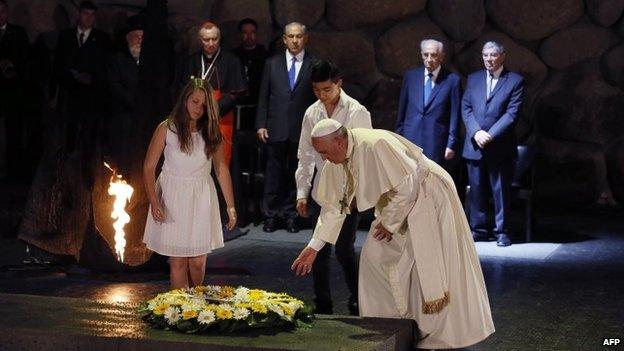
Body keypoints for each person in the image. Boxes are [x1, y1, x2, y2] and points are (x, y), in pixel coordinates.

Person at [291, 119, 495, 349]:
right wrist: (314, 247)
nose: (324, 158)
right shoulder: (335, 160)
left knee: (429, 265)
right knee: (374, 257)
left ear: (339, 141)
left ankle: (437, 334)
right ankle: (389, 326)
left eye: (325, 152)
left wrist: (389, 223)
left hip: (427, 195)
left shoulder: (376, 144)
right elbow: (332, 207)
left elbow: (408, 184)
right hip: (396, 207)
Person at [143, 77, 237, 289]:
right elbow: (149, 168)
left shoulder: (210, 133)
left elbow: (221, 170)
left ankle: (195, 297)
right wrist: (154, 201)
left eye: (203, 105)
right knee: (177, 260)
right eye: (195, 102)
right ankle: (181, 310)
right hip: (172, 196)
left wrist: (230, 206)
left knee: (197, 261)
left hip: (200, 197)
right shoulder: (167, 128)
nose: (198, 108)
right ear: (185, 99)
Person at [295, 60, 372, 315]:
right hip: (323, 188)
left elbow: (363, 156)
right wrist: (302, 192)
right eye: (317, 90)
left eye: (327, 89)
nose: (321, 95)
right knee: (319, 247)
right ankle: (322, 303)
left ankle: (359, 298)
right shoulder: (311, 113)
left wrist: (357, 195)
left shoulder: (356, 111)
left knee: (344, 249)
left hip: (349, 192)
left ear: (339, 84)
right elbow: (305, 155)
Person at [255, 22, 316, 233]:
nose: (295, 40)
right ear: (284, 39)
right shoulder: (272, 63)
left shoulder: (313, 64)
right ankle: (271, 215)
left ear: (305, 38)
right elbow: (264, 95)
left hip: (301, 130)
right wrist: (261, 124)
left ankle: (292, 216)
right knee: (273, 174)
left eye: (299, 36)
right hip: (276, 127)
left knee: (296, 174)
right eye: (291, 36)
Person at [461, 41, 524, 247]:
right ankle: (478, 230)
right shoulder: (474, 79)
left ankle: (502, 232)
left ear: (502, 56)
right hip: (475, 145)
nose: (489, 59)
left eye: (493, 55)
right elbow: (466, 107)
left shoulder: (515, 81)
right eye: (485, 55)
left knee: (501, 192)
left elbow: (511, 114)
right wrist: (476, 132)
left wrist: (490, 134)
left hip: (500, 147)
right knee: (477, 191)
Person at [176, 21, 247, 167]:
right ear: (200, 40)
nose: (210, 43)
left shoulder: (231, 60)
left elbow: (236, 93)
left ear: (219, 39)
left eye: (214, 39)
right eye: (206, 39)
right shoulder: (192, 60)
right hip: (193, 118)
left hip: (220, 117)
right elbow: (182, 89)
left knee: (218, 162)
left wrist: (211, 109)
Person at [52, 1, 111, 157]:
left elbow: (105, 67)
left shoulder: (102, 39)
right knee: (68, 135)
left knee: (89, 137)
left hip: (91, 98)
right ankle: (65, 168)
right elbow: (58, 65)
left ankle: (86, 171)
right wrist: (72, 78)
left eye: (92, 15)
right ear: (78, 14)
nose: (89, 18)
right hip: (70, 95)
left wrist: (91, 78)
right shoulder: (65, 37)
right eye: (86, 14)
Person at [395, 39, 460, 167]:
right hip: (410, 139)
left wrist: (451, 144)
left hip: (436, 142)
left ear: (441, 57)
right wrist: (398, 138)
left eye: (434, 55)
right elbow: (402, 110)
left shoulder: (452, 80)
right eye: (426, 55)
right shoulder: (411, 76)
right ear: (421, 55)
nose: (429, 59)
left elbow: (455, 115)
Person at [0, 0, 30, 181]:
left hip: (12, 92)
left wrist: (12, 65)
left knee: (13, 133)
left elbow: (25, 58)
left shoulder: (18, 33)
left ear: (7, 13)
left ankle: (13, 172)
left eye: (2, 11)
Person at [106, 15, 144, 161]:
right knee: (122, 155)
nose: (140, 41)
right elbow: (114, 86)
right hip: (123, 117)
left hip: (142, 118)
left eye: (143, 37)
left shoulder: (149, 63)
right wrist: (134, 102)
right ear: (128, 38)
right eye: (137, 37)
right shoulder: (117, 60)